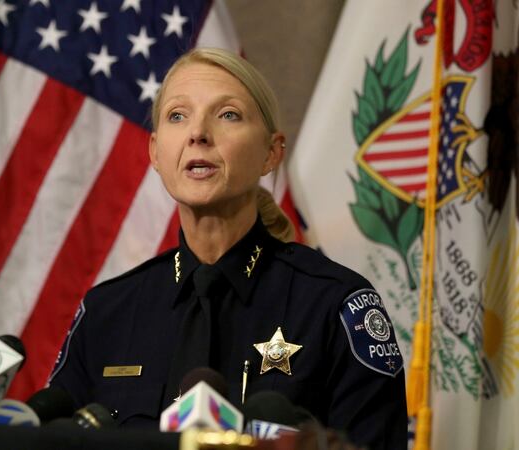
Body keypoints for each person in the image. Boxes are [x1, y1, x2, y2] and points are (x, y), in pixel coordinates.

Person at [48, 48, 407, 449]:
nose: (197, 133)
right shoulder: (106, 314)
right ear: (155, 152)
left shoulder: (336, 307)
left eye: (228, 115)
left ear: (271, 153)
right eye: (178, 116)